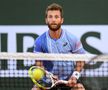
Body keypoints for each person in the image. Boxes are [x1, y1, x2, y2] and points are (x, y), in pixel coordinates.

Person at [32, 3, 85, 90]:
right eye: (50, 17)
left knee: (80, 88)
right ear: (46, 20)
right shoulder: (39, 41)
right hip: (49, 82)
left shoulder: (72, 39)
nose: (53, 20)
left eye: (56, 17)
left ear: (62, 20)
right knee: (35, 89)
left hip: (69, 81)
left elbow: (81, 60)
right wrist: (47, 77)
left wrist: (74, 76)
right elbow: (39, 64)